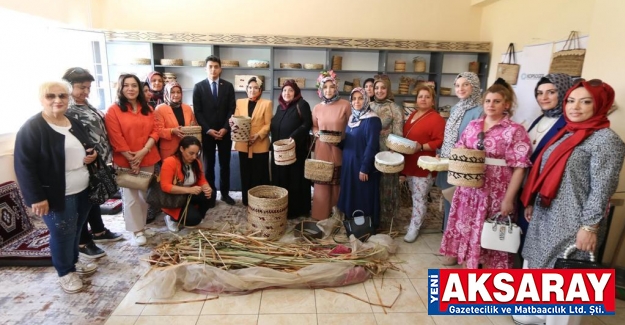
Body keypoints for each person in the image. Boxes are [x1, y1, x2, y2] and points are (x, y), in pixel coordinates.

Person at [514, 80, 625, 325]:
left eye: (586, 101)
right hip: (547, 215)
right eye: (571, 101)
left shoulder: (606, 140)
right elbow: (545, 172)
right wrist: (532, 201)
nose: (576, 107)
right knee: (540, 268)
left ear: (601, 105)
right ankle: (534, 316)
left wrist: (589, 227)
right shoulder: (568, 132)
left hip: (573, 222)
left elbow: (601, 189)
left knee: (565, 277)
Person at [14, 81, 98, 293]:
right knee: (62, 233)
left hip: (83, 187)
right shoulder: (33, 127)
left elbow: (86, 145)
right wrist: (36, 197)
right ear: (42, 99)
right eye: (51, 96)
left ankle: (74, 261)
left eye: (62, 96)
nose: (57, 100)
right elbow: (24, 165)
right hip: (56, 193)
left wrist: (91, 154)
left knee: (77, 229)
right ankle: (65, 272)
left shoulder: (72, 121)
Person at [439, 78, 532, 269]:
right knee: (467, 231)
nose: (491, 105)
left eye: (497, 101)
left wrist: (508, 199)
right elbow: (460, 149)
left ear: (506, 104)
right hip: (469, 191)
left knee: (491, 235)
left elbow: (520, 167)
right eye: (488, 101)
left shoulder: (515, 130)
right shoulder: (474, 126)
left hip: (496, 191)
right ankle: (468, 272)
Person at [62, 67, 123, 259]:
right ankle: (82, 241)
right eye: (81, 87)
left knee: (94, 197)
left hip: (99, 161)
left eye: (88, 88)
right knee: (83, 203)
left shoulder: (86, 105)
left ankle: (99, 231)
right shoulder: (67, 110)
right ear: (69, 86)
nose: (85, 92)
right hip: (84, 163)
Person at [516, 73, 574, 251]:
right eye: (540, 93)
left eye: (551, 92)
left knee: (534, 244)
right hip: (526, 186)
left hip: (542, 192)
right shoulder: (540, 118)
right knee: (519, 239)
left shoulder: (568, 124)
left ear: (564, 93)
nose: (544, 97)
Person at [104, 74, 160, 246]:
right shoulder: (113, 110)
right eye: (126, 85)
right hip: (125, 159)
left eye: (134, 85)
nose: (130, 89)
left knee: (144, 195)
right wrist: (131, 158)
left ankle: (141, 226)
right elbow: (115, 136)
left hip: (147, 156)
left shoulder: (148, 109)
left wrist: (143, 151)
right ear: (120, 88)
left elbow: (156, 131)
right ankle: (136, 231)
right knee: (131, 197)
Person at [435, 72, 483, 237]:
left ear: (474, 86)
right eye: (457, 85)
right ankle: (448, 237)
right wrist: (441, 153)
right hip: (450, 162)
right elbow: (449, 136)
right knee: (450, 199)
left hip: (466, 165)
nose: (460, 88)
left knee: (463, 205)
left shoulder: (480, 111)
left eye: (465, 84)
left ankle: (458, 241)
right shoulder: (456, 108)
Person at [399, 85, 445, 242]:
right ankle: (416, 221)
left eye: (427, 96)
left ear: (433, 100)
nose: (423, 99)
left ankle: (414, 228)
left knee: (420, 197)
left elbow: (440, 141)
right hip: (410, 161)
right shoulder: (413, 114)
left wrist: (422, 146)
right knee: (414, 195)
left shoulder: (436, 119)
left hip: (424, 163)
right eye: (420, 96)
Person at [193, 55, 236, 206]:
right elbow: (197, 112)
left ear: (220, 69)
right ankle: (210, 195)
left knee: (225, 164)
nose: (213, 69)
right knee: (208, 165)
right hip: (208, 134)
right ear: (206, 69)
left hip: (225, 133)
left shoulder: (228, 86)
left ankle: (225, 194)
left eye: (216, 66)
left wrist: (225, 128)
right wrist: (208, 129)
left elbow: (232, 109)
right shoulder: (199, 87)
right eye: (210, 66)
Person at [337, 88, 381, 227]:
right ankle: (351, 224)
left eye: (360, 98)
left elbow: (371, 146)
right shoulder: (352, 117)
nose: (357, 101)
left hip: (361, 166)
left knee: (362, 196)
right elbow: (351, 141)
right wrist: (337, 142)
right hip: (349, 164)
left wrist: (365, 168)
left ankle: (363, 227)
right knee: (351, 194)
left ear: (366, 99)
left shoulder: (372, 120)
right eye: (354, 98)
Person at [311, 70, 351, 220]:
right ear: (320, 89)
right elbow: (314, 126)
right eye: (325, 87)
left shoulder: (345, 105)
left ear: (336, 88)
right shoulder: (317, 108)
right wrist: (316, 133)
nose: (328, 90)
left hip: (339, 149)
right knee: (322, 180)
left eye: (331, 87)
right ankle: (320, 214)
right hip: (322, 148)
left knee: (337, 181)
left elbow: (351, 125)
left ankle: (337, 215)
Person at [270, 79, 312, 218]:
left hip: (296, 151)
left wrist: (293, 137)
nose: (287, 93)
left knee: (294, 180)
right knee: (280, 179)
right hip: (280, 152)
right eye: (285, 90)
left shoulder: (302, 104)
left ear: (296, 92)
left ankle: (295, 210)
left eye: (290, 90)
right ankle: (280, 207)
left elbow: (307, 124)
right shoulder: (279, 107)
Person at [231, 77, 272, 206]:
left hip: (260, 144)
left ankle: (260, 201)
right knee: (245, 172)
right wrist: (232, 122)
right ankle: (246, 200)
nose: (252, 90)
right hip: (243, 143)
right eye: (249, 87)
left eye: (255, 88)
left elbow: (268, 124)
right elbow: (236, 119)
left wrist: (258, 135)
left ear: (260, 90)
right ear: (246, 89)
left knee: (259, 173)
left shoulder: (267, 103)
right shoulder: (240, 102)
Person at [369, 78, 404, 229]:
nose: (379, 91)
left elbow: (398, 133)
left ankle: (387, 219)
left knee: (387, 184)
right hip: (369, 148)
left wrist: (393, 151)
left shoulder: (394, 108)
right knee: (371, 182)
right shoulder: (369, 105)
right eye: (377, 88)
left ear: (388, 89)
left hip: (387, 149)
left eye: (383, 88)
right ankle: (372, 215)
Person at [160, 136, 213, 232]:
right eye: (191, 153)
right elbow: (165, 186)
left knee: (210, 194)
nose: (194, 157)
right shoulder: (170, 162)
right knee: (193, 219)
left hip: (188, 194)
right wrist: (189, 190)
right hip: (174, 198)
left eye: (197, 154)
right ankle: (171, 217)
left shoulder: (196, 162)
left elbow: (202, 180)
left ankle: (195, 215)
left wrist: (207, 187)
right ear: (181, 149)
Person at [154, 81, 197, 159]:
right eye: (172, 92)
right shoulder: (160, 109)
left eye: (178, 92)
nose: (176, 95)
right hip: (169, 149)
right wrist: (172, 131)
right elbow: (157, 130)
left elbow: (194, 125)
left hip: (187, 148)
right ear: (167, 93)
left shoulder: (187, 108)